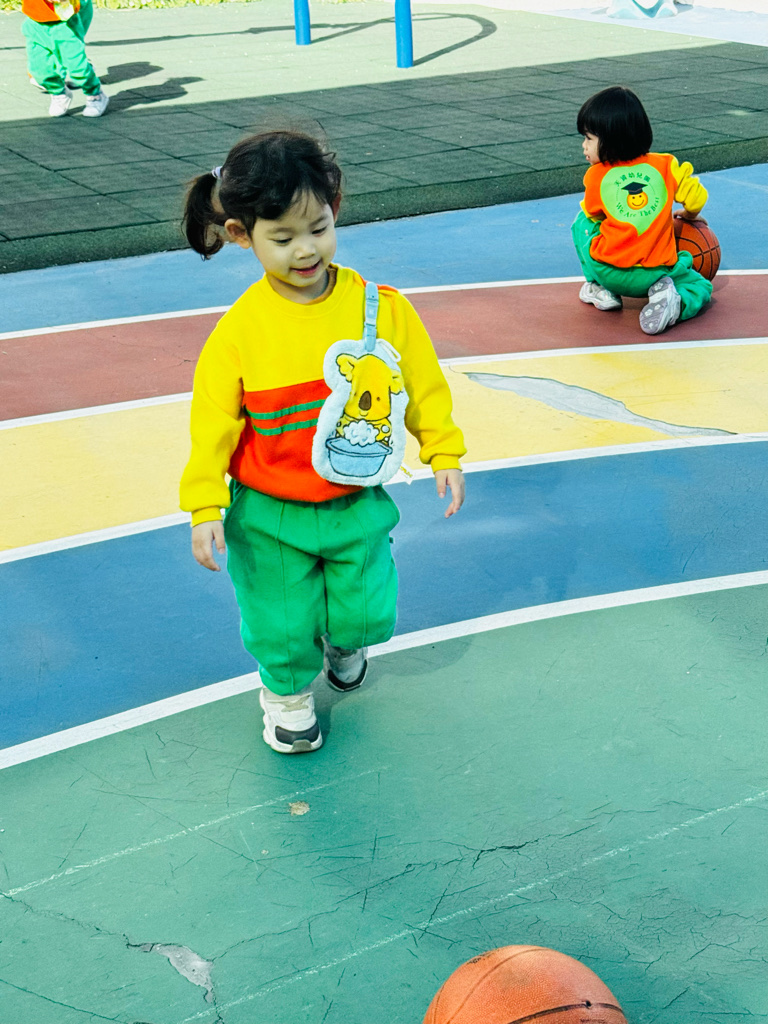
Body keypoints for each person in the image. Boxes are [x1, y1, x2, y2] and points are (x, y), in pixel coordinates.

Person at [180, 130, 466, 755]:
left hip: (353, 498)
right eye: (282, 238)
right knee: (281, 623)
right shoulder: (238, 333)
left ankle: (344, 639)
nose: (305, 249)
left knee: (367, 614)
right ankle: (286, 696)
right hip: (270, 512)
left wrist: (442, 449)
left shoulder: (379, 309)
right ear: (241, 235)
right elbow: (212, 425)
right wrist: (204, 506)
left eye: (319, 228)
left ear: (336, 207)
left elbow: (421, 382)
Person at [572, 85, 712, 335]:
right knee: (700, 286)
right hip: (655, 274)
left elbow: (593, 216)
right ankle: (675, 302)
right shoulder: (666, 165)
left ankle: (599, 288)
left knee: (582, 222)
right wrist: (690, 215)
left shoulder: (596, 176)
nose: (584, 146)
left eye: (589, 138)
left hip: (609, 272)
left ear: (611, 139)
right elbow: (696, 197)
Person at [22, 0, 108, 118]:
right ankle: (58, 92)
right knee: (39, 70)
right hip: (35, 23)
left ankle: (95, 95)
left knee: (78, 69)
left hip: (65, 25)